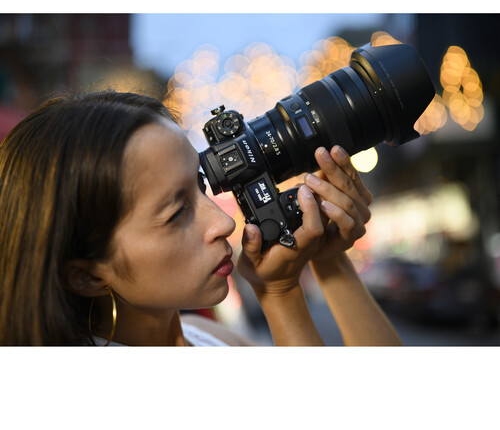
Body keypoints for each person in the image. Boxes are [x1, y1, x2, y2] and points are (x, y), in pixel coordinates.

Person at [0, 90, 402, 346]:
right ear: (87, 275)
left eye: (200, 186)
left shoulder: (204, 338)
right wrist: (280, 293)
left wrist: (328, 258)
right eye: (176, 212)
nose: (224, 224)